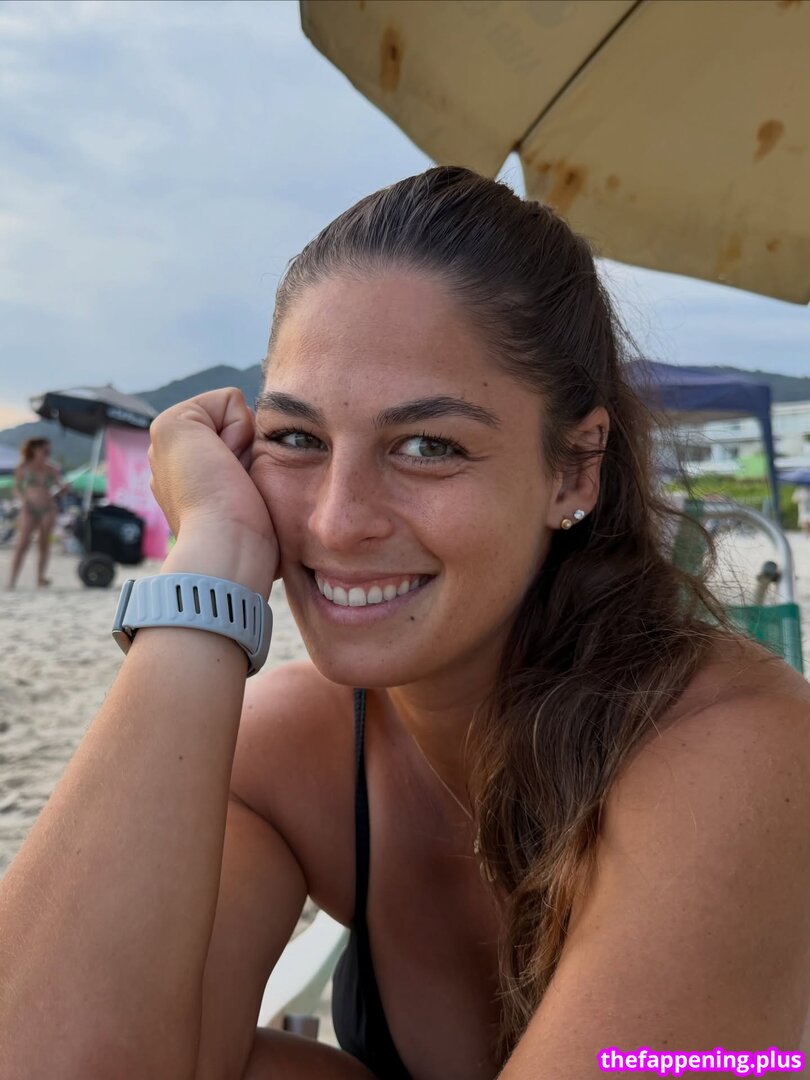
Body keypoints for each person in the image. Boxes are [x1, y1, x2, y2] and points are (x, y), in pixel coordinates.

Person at [2, 168, 809, 1080]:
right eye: (297, 438)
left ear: (575, 470)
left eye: (429, 446)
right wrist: (206, 574)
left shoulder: (737, 750)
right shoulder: (289, 755)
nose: (337, 520)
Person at [6, 436, 64, 589]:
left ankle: (40, 578)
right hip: (29, 508)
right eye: (45, 450)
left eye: (49, 451)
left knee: (44, 544)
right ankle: (12, 580)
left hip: (48, 508)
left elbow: (60, 490)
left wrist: (64, 489)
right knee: (22, 543)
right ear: (35, 450)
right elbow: (16, 488)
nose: (47, 453)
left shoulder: (51, 468)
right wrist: (22, 500)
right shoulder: (23, 467)